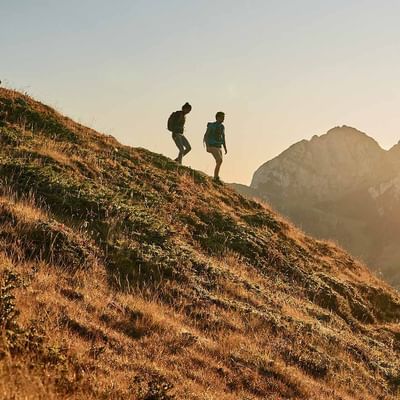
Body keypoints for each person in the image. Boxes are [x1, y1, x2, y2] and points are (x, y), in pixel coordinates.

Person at [204, 111, 227, 183]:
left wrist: (225, 147)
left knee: (219, 162)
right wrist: (207, 146)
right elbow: (206, 135)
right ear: (218, 117)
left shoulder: (222, 127)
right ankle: (216, 177)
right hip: (212, 145)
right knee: (219, 160)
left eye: (224, 117)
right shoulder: (211, 126)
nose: (223, 119)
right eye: (222, 117)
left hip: (219, 146)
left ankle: (216, 177)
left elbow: (223, 137)